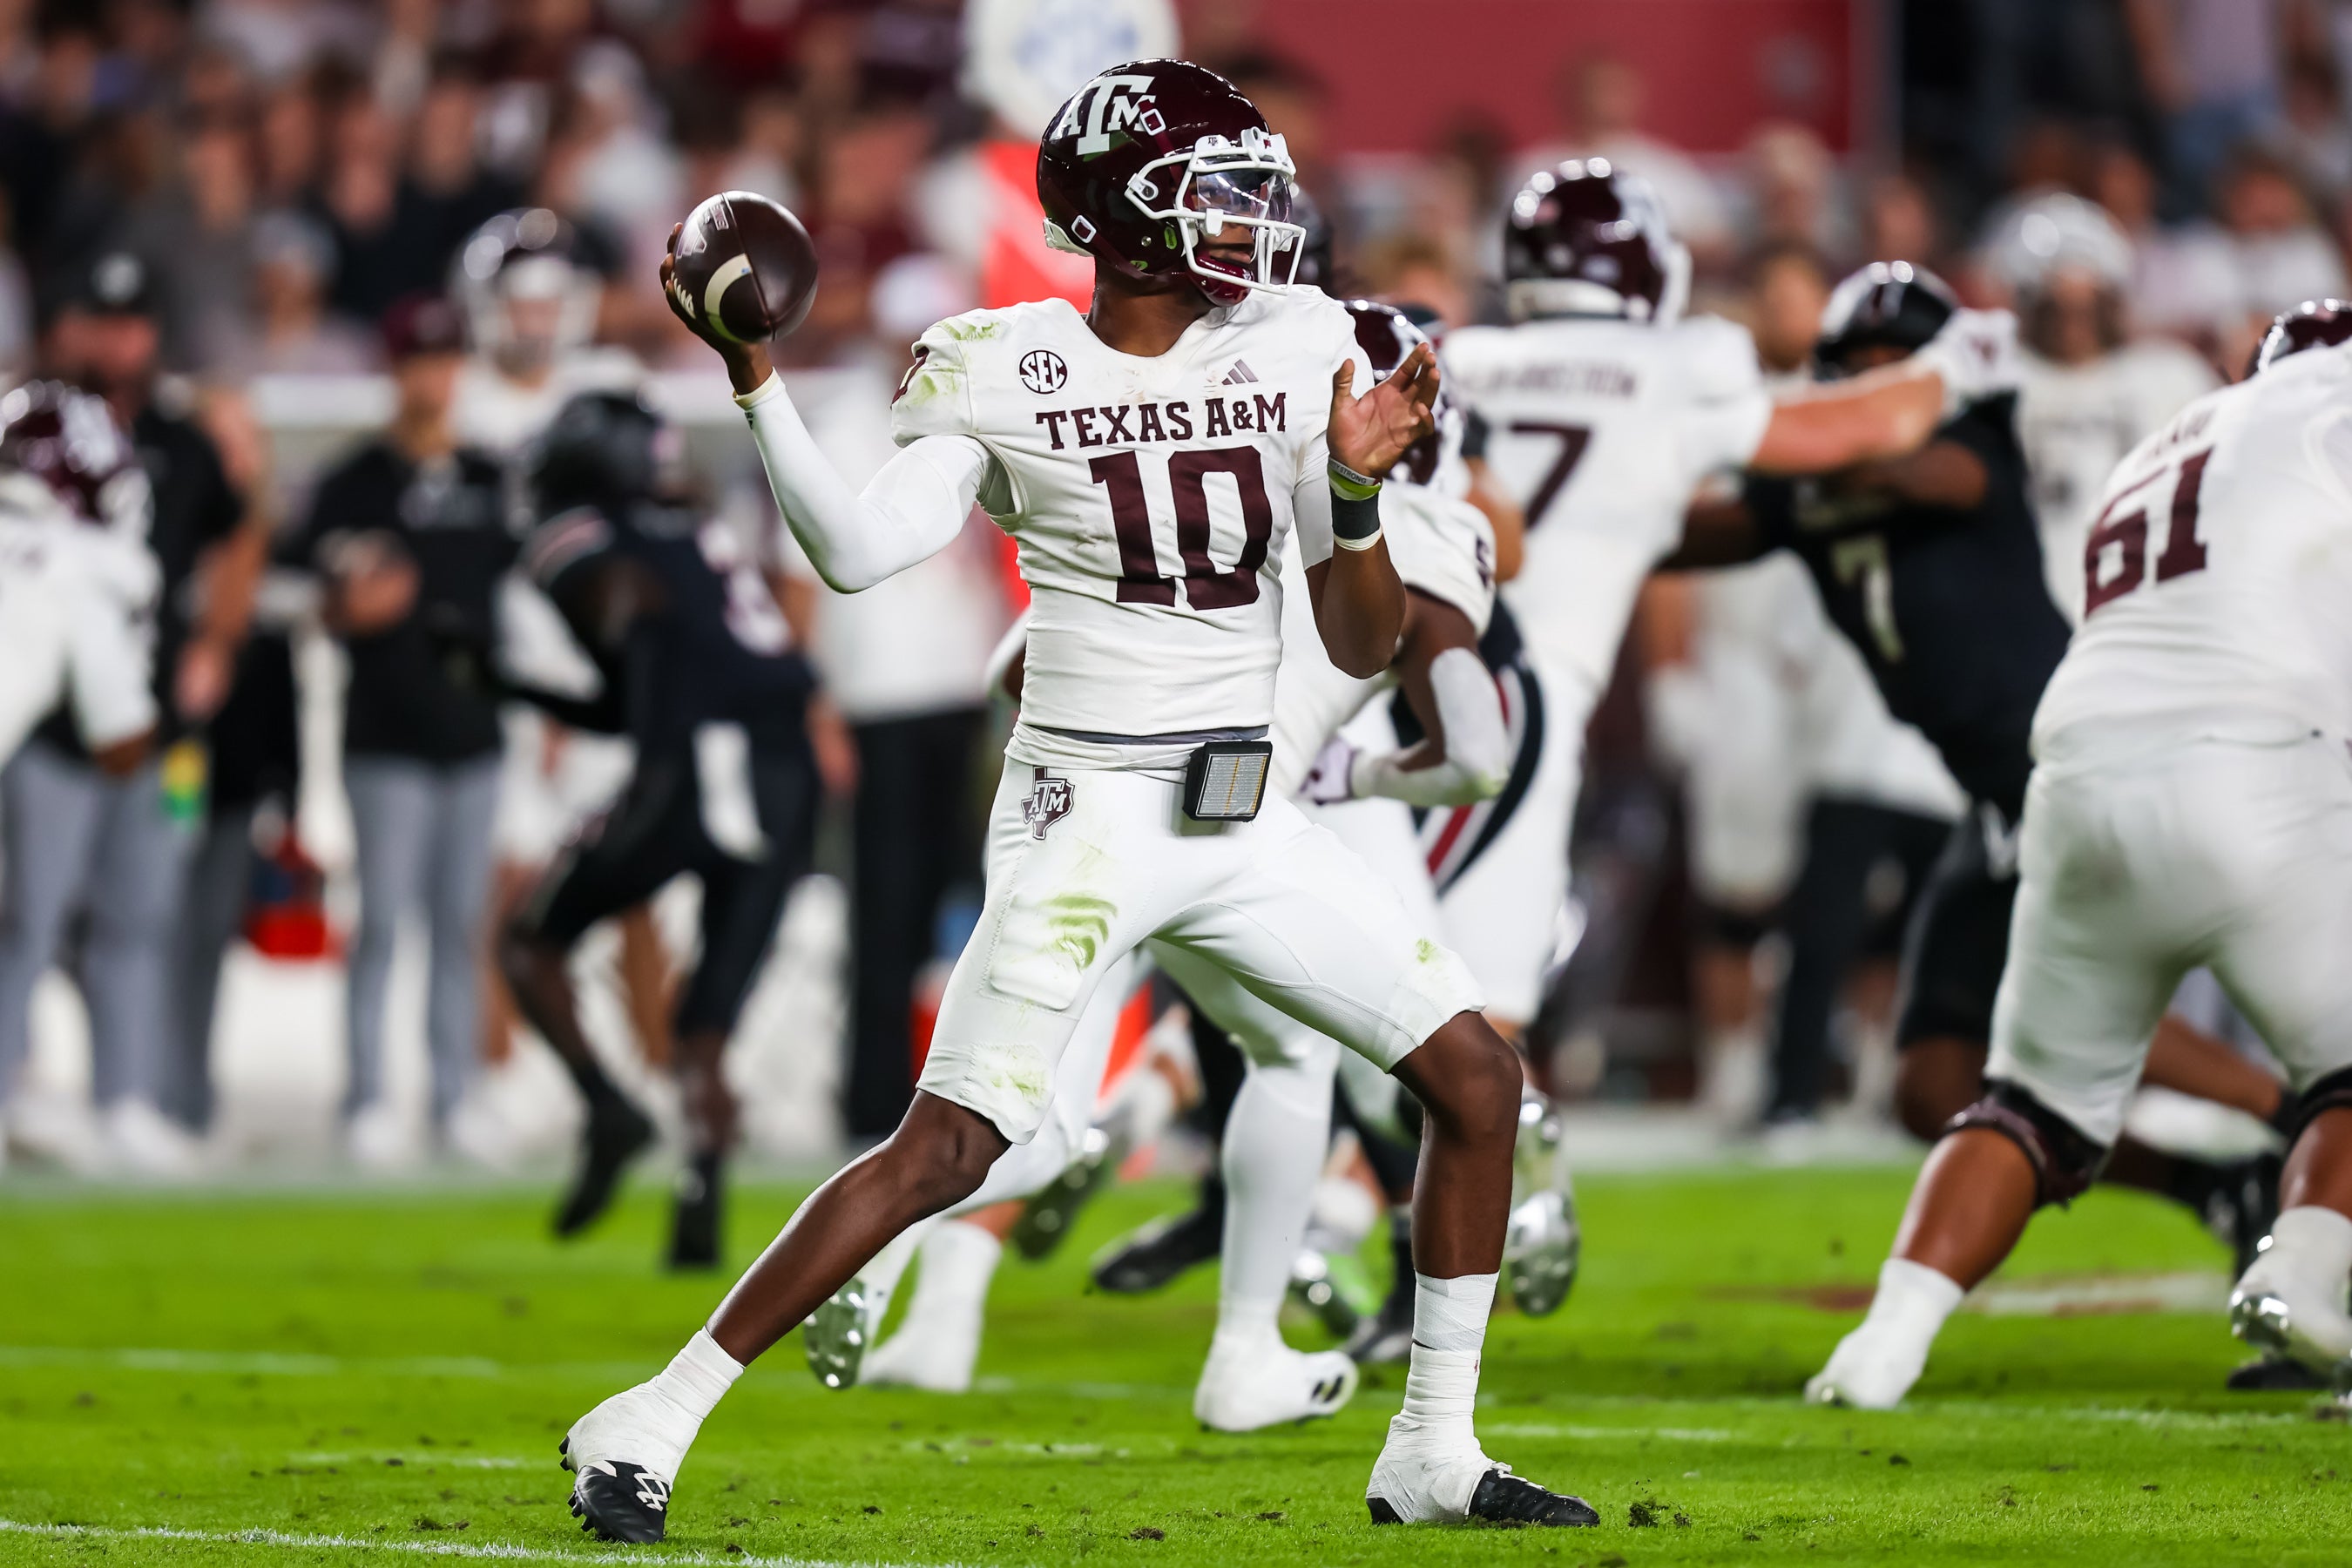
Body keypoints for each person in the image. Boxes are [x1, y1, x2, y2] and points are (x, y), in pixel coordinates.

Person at [563, 60, 1602, 1538]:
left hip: (1245, 824)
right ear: (1124, 219)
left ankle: (1432, 1448)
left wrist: (1359, 494)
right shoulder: (1001, 360)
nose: (1253, 221)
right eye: (1214, 193)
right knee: (955, 1145)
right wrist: (756, 382)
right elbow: (856, 552)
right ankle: (650, 1416)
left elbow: (1363, 643)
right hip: (1087, 813)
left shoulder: (1302, 346)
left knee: (1475, 1080)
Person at [1665, 262, 2295, 1315]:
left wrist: (1795, 456)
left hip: (2070, 764)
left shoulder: (1969, 434)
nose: (1871, 384)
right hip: (1994, 796)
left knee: (2082, 1014)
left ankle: (2302, 1117)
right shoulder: (1805, 487)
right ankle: (2217, 1182)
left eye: (1893, 366)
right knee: (1934, 1086)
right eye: (1853, 368)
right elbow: (1681, 534)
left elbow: (1927, 476)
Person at [1807, 300, 2352, 1406]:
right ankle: (2303, 1269)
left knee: (2031, 1107)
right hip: (2246, 764)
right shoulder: (2327, 406)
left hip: (2071, 775)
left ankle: (1887, 1341)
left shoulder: (2174, 437)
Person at [497, 389, 821, 1268]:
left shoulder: (585, 541)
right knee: (705, 1020)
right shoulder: (696, 530)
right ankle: (700, 1195)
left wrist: (648, 757)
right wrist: (519, 689)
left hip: (702, 768)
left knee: (530, 941)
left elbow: (629, 618)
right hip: (786, 768)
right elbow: (650, 672)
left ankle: (609, 1109)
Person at [0, 252, 261, 1175]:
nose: (116, 341)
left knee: (141, 917)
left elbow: (238, 532)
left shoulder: (183, 440)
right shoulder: (24, 422)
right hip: (47, 729)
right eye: (99, 322)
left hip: (156, 733)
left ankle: (127, 1101)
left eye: (131, 322)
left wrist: (217, 641)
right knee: (26, 919)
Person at [287, 295, 515, 1166]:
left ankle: (458, 1095)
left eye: (445, 358)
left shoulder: (492, 478)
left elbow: (523, 593)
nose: (433, 376)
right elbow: (299, 587)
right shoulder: (353, 482)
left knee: (462, 926)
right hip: (384, 738)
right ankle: (368, 1098)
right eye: (419, 359)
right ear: (395, 370)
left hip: (475, 733)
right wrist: (345, 602)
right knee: (382, 922)